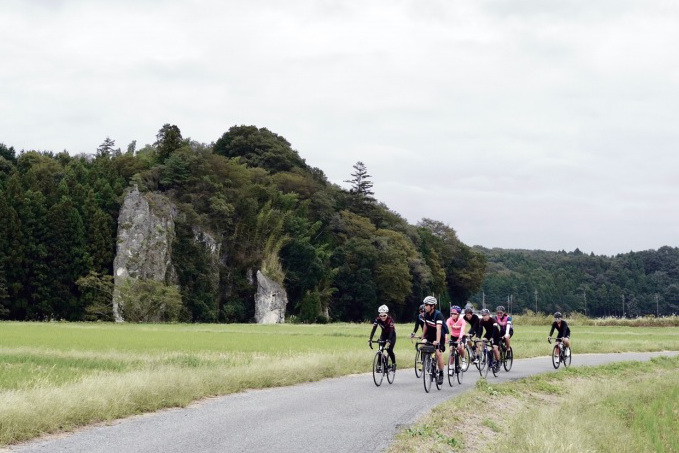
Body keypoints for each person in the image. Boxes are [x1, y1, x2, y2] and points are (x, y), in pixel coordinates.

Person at [421, 295, 448, 385]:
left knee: (437, 352)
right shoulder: (426, 314)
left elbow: (439, 329)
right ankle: (427, 363)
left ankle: (440, 373)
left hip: (440, 335)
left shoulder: (438, 315)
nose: (425, 307)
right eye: (425, 305)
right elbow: (425, 325)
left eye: (427, 305)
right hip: (430, 334)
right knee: (423, 345)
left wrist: (437, 341)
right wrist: (423, 337)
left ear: (432, 306)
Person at [369, 304, 397, 371]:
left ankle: (394, 364)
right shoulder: (377, 319)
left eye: (384, 315)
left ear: (387, 314)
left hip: (392, 335)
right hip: (383, 335)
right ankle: (379, 365)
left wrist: (389, 340)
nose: (382, 317)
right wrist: (370, 339)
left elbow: (391, 331)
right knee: (380, 349)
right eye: (381, 315)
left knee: (389, 350)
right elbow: (374, 329)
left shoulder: (390, 320)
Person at [445, 305, 467, 374]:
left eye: (455, 314)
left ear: (458, 314)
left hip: (461, 336)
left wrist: (460, 339)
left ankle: (463, 361)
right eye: (452, 314)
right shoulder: (449, 320)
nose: (453, 315)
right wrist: (446, 337)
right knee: (451, 350)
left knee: (460, 347)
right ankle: (451, 367)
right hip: (453, 336)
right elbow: (446, 329)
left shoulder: (462, 320)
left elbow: (462, 330)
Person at [479, 308, 501, 372]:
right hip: (488, 333)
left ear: (489, 315)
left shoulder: (493, 320)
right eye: (483, 315)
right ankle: (486, 356)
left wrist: (492, 338)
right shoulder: (482, 321)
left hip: (496, 334)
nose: (484, 317)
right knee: (483, 341)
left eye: (485, 315)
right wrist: (478, 337)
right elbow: (480, 330)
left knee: (494, 348)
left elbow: (495, 329)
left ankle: (498, 362)